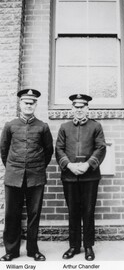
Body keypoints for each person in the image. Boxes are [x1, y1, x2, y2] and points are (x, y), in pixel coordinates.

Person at [0, 88, 53, 261]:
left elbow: (48, 151)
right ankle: (11, 251)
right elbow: (4, 150)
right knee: (11, 214)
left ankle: (33, 250)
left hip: (35, 176)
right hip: (13, 175)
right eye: (26, 102)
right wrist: (13, 167)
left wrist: (36, 167)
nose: (29, 105)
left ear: (36, 105)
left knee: (34, 214)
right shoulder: (10, 125)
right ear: (20, 104)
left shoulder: (42, 127)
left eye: (32, 103)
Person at [55, 94, 106, 261]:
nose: (79, 110)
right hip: (70, 177)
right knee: (73, 211)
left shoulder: (96, 126)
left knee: (88, 211)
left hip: (90, 177)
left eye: (82, 107)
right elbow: (59, 149)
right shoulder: (64, 127)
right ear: (72, 109)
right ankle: (74, 246)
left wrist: (87, 164)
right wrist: (69, 165)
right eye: (76, 107)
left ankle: (89, 246)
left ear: (87, 109)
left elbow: (100, 148)